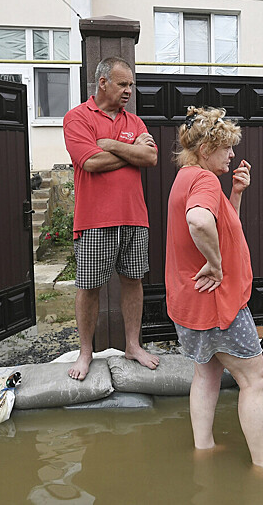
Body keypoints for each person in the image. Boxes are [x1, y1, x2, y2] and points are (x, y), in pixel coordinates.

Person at [165, 106, 263, 472]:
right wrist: (216, 266)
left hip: (189, 303)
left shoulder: (186, 176)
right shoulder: (203, 180)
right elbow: (200, 222)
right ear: (205, 150)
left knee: (207, 372)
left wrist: (236, 194)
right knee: (255, 378)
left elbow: (221, 225)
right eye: (227, 148)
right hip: (220, 305)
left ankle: (205, 450)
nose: (232, 155)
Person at [62, 56, 160, 380]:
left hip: (134, 218)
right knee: (89, 287)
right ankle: (85, 353)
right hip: (94, 221)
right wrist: (130, 152)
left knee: (133, 282)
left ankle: (133, 345)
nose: (129, 90)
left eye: (131, 84)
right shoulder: (77, 118)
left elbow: (151, 157)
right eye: (123, 84)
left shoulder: (135, 122)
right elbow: (89, 162)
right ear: (103, 82)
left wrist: (111, 145)